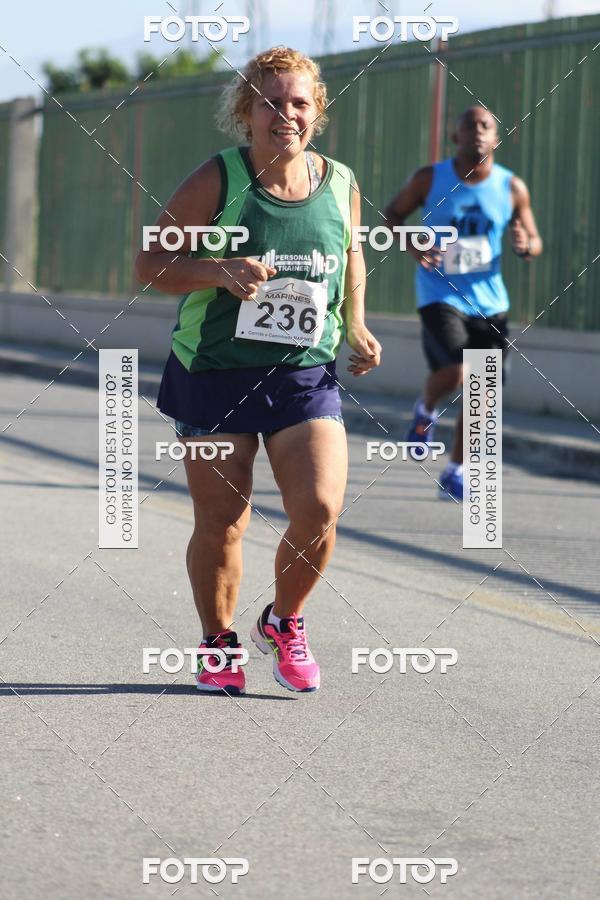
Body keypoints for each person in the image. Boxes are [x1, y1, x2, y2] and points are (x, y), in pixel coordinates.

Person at [135, 47, 381, 694]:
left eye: (299, 102)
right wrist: (220, 271)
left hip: (303, 373)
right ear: (246, 111)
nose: (286, 114)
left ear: (316, 111)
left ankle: (283, 620)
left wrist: (356, 322)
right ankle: (218, 644)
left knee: (321, 506)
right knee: (224, 520)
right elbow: (150, 265)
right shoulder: (218, 179)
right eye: (272, 102)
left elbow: (351, 252)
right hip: (215, 371)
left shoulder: (340, 181)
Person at [384, 105, 542, 500]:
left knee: (483, 393)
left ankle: (455, 472)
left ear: (496, 139)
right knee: (459, 371)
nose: (478, 131)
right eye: (469, 125)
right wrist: (413, 246)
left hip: (490, 304)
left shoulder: (512, 187)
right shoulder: (429, 179)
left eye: (486, 125)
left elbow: (534, 240)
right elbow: (391, 217)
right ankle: (426, 407)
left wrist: (525, 245)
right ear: (455, 136)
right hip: (439, 294)